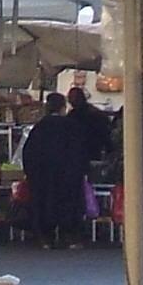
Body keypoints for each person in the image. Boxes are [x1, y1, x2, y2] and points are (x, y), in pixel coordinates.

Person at [18, 93, 88, 248]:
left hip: (43, 175)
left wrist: (32, 173)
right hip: (68, 175)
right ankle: (69, 237)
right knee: (68, 205)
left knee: (44, 205)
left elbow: (29, 152)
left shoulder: (39, 128)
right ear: (63, 107)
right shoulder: (72, 126)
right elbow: (81, 151)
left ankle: (45, 238)